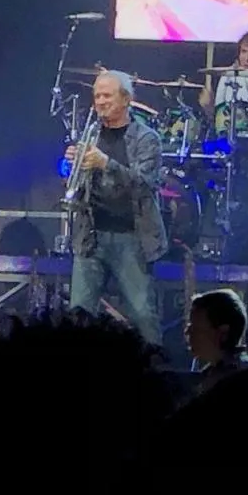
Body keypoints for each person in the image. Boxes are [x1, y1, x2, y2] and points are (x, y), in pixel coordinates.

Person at [65, 70, 164, 346]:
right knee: (79, 314)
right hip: (90, 236)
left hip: (131, 237)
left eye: (107, 95)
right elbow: (77, 184)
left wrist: (105, 163)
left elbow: (144, 185)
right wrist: (71, 165)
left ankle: (155, 365)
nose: (100, 101)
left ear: (126, 99)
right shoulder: (90, 135)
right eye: (97, 96)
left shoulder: (147, 138)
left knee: (142, 315)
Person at [186, 288, 248, 376]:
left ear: (223, 333)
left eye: (195, 328)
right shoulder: (213, 372)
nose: (187, 332)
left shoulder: (240, 377)